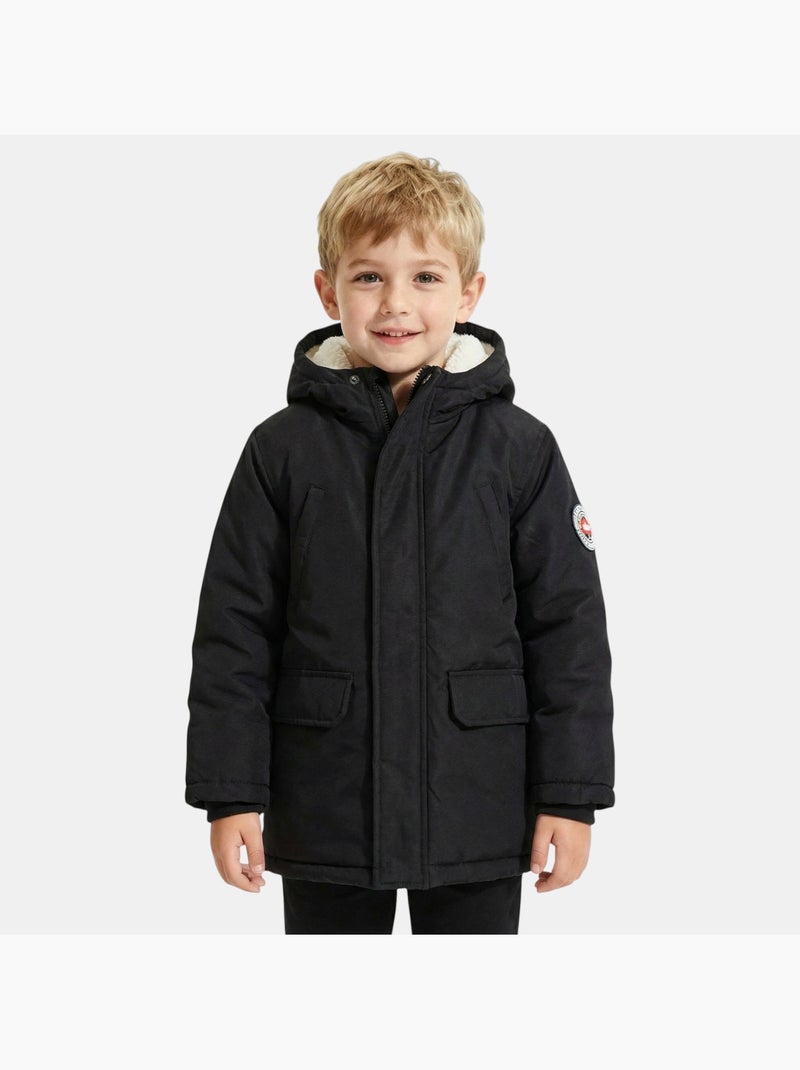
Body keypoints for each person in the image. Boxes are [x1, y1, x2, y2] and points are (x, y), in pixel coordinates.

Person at [185, 152, 615, 934]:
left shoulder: (520, 449)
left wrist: (570, 794)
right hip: (326, 797)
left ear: (469, 293)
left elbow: (568, 631)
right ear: (328, 291)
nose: (397, 303)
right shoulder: (281, 450)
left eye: (425, 277)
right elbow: (234, 631)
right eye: (368, 277)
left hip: (478, 796)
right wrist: (230, 791)